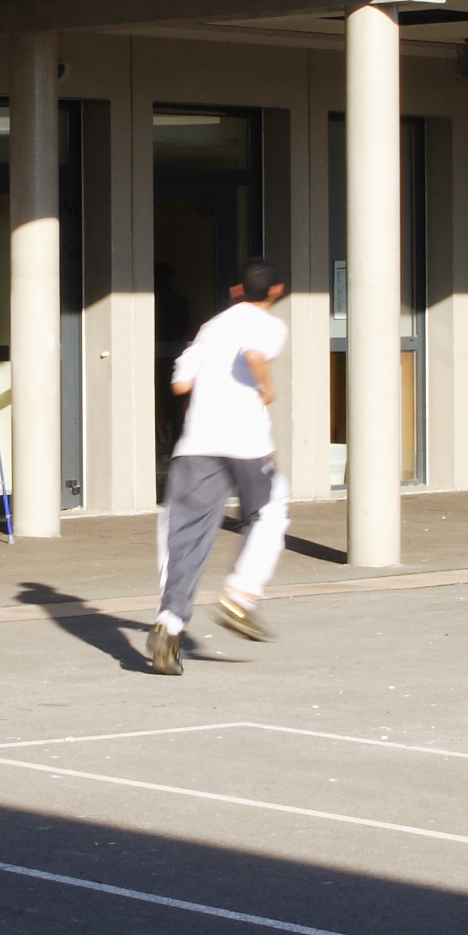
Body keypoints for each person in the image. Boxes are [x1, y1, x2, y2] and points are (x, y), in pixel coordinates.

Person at [147, 260, 288, 671]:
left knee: (183, 531)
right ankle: (241, 596)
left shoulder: (209, 328)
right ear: (275, 291)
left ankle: (169, 623)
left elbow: (180, 383)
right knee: (269, 510)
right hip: (246, 441)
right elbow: (253, 352)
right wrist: (266, 387)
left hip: (197, 442)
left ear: (237, 289)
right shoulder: (267, 324)